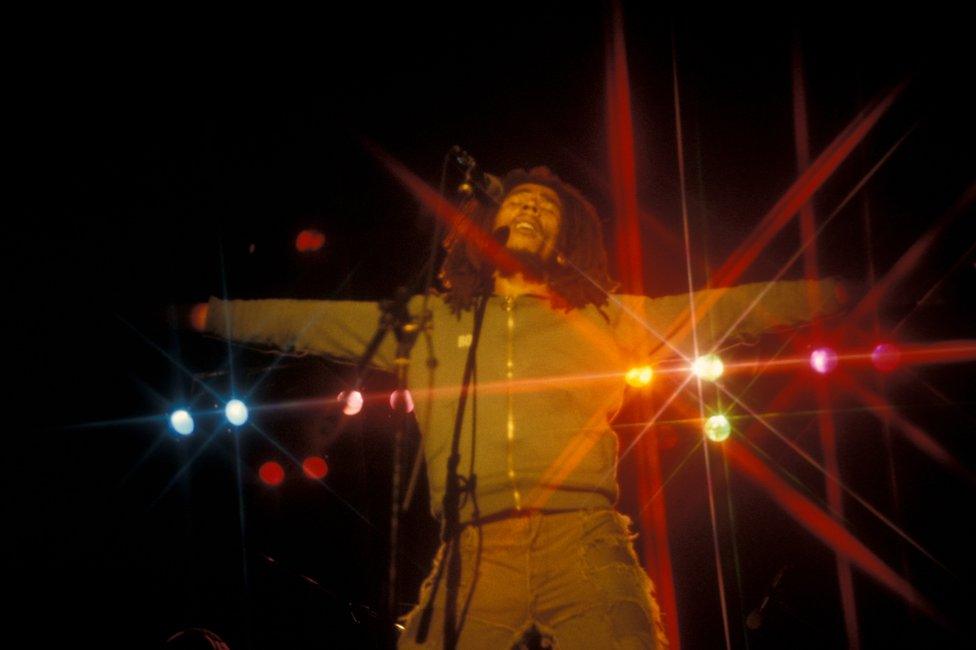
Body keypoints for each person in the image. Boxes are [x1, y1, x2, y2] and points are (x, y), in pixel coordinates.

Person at [205, 166, 845, 649]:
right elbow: (305, 321)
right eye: (520, 200)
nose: (535, 208)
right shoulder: (429, 320)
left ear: (570, 239)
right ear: (487, 225)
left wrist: (841, 290)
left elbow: (729, 308)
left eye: (549, 207)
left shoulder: (603, 318)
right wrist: (204, 314)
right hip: (473, 549)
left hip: (584, 542)